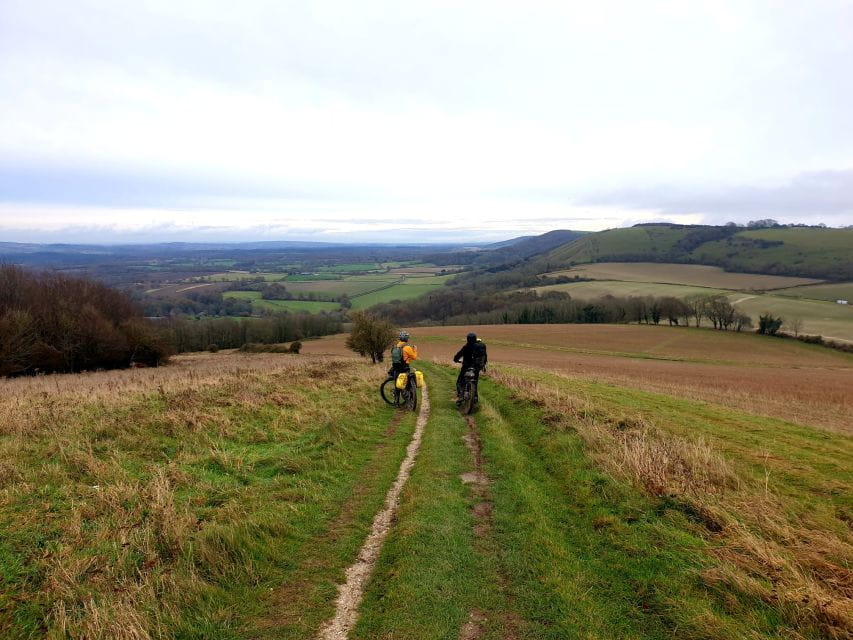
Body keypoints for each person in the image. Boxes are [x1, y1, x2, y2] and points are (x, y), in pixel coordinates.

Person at [453, 332, 487, 402]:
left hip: (466, 366)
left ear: (467, 339)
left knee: (460, 381)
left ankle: (460, 396)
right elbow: (485, 356)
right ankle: (475, 397)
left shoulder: (466, 347)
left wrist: (455, 359)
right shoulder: (480, 346)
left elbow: (459, 354)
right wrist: (483, 365)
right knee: (475, 382)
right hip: (476, 367)